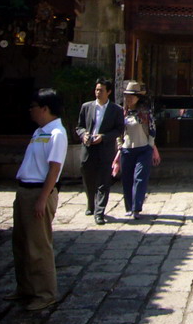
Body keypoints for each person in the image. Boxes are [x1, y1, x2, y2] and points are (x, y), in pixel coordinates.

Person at [7, 88, 67, 311]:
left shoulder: (56, 134)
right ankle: (25, 287)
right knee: (21, 243)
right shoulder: (39, 132)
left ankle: (45, 293)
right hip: (24, 190)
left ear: (45, 108)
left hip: (39, 192)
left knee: (38, 246)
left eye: (33, 107)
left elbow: (54, 169)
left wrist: (43, 198)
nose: (30, 111)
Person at [75, 78, 124, 225]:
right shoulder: (86, 107)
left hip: (104, 148)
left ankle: (99, 212)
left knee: (104, 181)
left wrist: (103, 137)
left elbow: (119, 129)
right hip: (89, 148)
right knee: (88, 176)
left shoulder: (116, 110)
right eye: (96, 90)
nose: (98, 93)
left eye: (101, 90)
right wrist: (84, 135)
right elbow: (79, 126)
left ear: (108, 92)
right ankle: (91, 202)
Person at [118, 80, 161, 219]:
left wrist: (150, 144)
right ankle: (129, 207)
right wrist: (119, 144)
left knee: (140, 178)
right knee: (127, 179)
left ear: (138, 97)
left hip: (143, 148)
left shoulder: (145, 113)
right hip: (126, 149)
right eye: (127, 96)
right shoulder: (122, 113)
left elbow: (152, 129)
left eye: (132, 96)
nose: (129, 99)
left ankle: (136, 208)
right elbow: (118, 131)